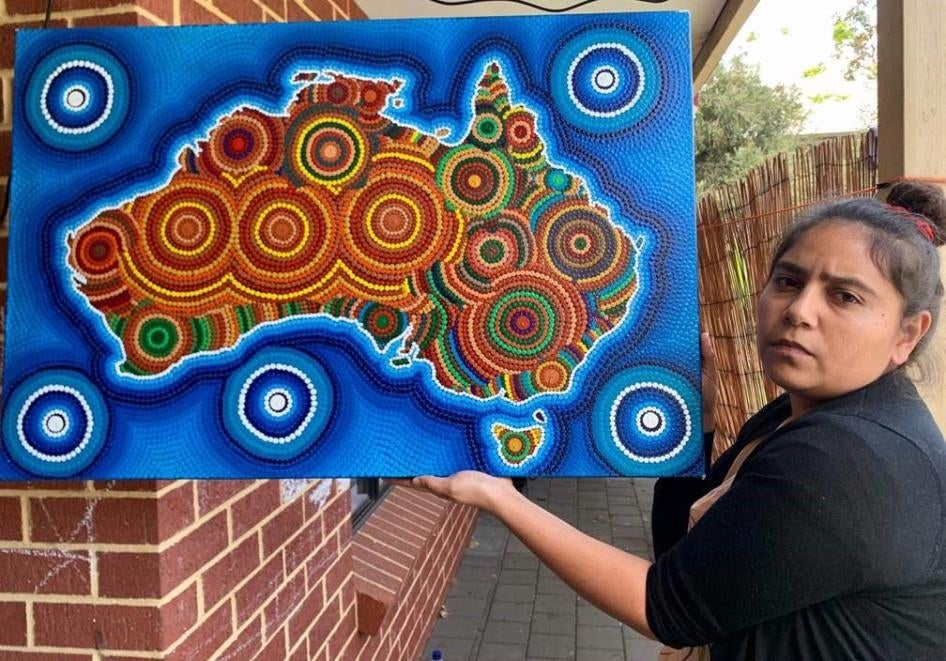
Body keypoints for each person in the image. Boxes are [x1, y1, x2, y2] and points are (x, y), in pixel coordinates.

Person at [404, 180, 946, 659]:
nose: (800, 310)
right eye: (787, 280)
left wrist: (501, 497)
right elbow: (680, 551)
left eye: (844, 296)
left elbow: (665, 608)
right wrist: (701, 428)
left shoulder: (848, 459)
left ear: (907, 334)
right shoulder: (798, 415)